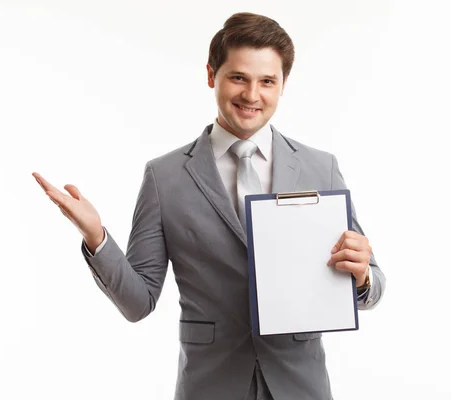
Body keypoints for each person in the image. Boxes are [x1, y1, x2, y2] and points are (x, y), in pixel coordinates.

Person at [33, 12, 385, 400]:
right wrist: (97, 236)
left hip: (300, 387)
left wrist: (363, 276)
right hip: (210, 386)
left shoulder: (321, 167)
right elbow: (138, 302)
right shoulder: (164, 177)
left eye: (267, 81)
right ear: (210, 75)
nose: (252, 95)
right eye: (238, 77)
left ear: (283, 85)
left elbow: (373, 286)